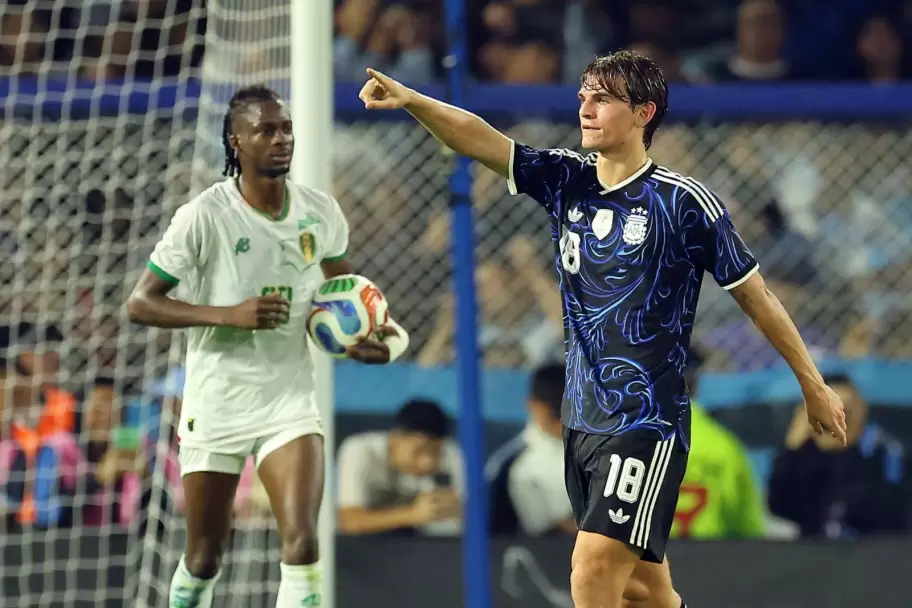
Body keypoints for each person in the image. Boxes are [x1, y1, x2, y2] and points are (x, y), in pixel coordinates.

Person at [357, 51, 846, 608]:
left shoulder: (685, 204)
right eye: (583, 95)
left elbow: (759, 300)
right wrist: (414, 100)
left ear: (643, 113)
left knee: (590, 572)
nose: (585, 108)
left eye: (602, 99)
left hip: (646, 421)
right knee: (643, 589)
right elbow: (481, 140)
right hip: (582, 422)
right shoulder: (566, 179)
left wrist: (813, 384)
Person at [126, 84, 410, 608]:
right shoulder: (204, 216)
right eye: (266, 130)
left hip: (289, 402)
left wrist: (371, 340)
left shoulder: (320, 213)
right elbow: (141, 303)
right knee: (205, 556)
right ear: (236, 142)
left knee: (302, 542)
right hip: (217, 403)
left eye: (286, 129)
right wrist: (227, 316)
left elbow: (345, 296)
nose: (281, 139)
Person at [768, 372, 909, 538]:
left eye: (847, 411)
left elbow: (891, 511)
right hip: (817, 554)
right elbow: (780, 505)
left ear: (862, 410)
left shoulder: (883, 453)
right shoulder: (804, 456)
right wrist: (792, 447)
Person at [670, 349, 767, 540]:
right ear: (696, 382)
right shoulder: (724, 446)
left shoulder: (626, 442)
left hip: (642, 562)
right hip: (711, 559)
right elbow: (748, 524)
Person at [336, 399, 463, 536]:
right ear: (395, 439)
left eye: (436, 452)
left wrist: (459, 510)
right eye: (419, 450)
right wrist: (412, 515)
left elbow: (470, 517)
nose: (428, 462)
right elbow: (349, 522)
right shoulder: (359, 450)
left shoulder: (451, 453)